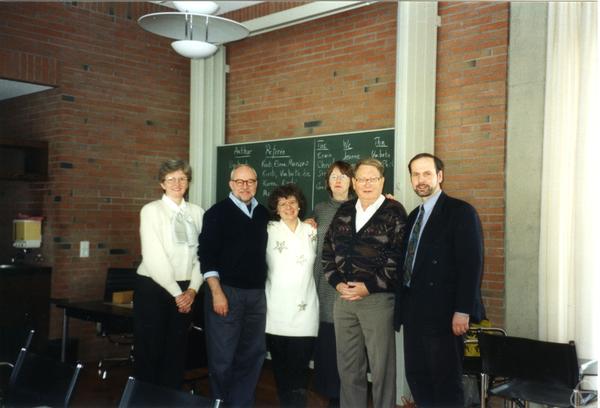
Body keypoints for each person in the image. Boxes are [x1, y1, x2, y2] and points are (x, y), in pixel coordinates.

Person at [394, 153, 484, 407]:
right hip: (413, 311)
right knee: (418, 377)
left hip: (445, 315)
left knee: (445, 382)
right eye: (415, 174)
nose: (421, 180)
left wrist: (463, 310)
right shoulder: (413, 216)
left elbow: (471, 265)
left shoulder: (461, 212)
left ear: (440, 176)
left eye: (427, 174)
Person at [322, 158, 407, 408]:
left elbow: (398, 257)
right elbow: (328, 250)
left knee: (381, 369)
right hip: (344, 299)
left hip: (376, 300)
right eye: (361, 179)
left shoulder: (394, 211)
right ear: (354, 182)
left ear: (382, 181)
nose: (366, 183)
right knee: (348, 368)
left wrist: (368, 287)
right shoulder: (345, 210)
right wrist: (337, 283)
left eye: (372, 178)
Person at [198, 164, 269, 407]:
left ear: (256, 184)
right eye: (240, 181)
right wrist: (217, 293)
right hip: (226, 293)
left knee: (252, 355)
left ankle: (241, 404)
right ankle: (221, 403)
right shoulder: (216, 213)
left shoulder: (263, 214)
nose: (245, 186)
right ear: (231, 184)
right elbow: (206, 255)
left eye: (250, 181)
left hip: (257, 295)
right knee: (223, 359)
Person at [133, 159, 204, 388]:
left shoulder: (198, 212)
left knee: (177, 352)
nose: (177, 183)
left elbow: (203, 256)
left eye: (182, 178)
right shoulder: (151, 211)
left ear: (188, 182)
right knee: (150, 352)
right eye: (171, 179)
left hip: (187, 290)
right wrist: (178, 294)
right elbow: (154, 257)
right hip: (155, 287)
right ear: (162, 184)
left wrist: (192, 290)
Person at [265, 183, 318, 408]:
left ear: (300, 205)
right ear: (276, 208)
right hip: (275, 312)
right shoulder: (267, 229)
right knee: (281, 371)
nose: (288, 207)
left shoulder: (312, 231)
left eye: (293, 202)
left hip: (305, 313)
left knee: (300, 371)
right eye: (282, 203)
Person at [309, 161, 354, 407]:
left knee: (348, 353)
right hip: (324, 290)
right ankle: (333, 399)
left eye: (343, 176)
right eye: (333, 176)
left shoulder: (361, 207)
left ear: (352, 181)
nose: (338, 180)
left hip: (349, 291)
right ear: (328, 181)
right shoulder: (320, 210)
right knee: (327, 351)